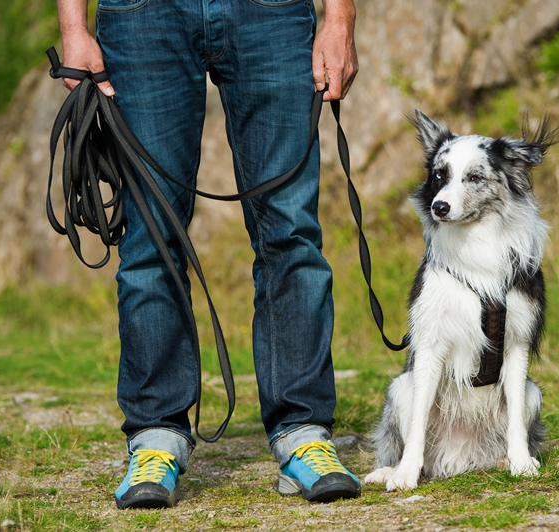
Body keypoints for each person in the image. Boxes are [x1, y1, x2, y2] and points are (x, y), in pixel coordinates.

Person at [56, 0, 360, 507]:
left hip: (272, 12)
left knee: (290, 231)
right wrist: (73, 26)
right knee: (151, 236)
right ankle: (156, 437)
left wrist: (339, 19)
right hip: (142, 14)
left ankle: (303, 431)